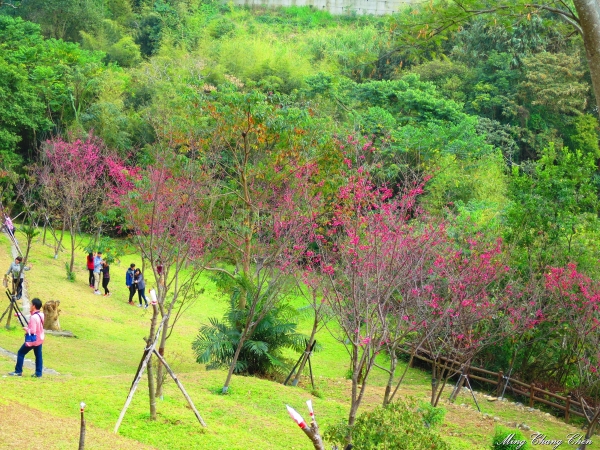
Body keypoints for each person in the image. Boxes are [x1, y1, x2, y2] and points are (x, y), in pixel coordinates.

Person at [8, 297, 45, 377]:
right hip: (39, 339)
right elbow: (31, 316)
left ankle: (18, 371)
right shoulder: (41, 315)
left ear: (34, 306)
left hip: (33, 340)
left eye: (31, 304)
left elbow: (32, 331)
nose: (30, 306)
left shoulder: (34, 317)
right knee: (38, 356)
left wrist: (26, 329)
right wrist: (20, 314)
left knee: (20, 353)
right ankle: (38, 373)